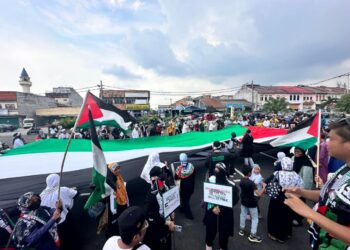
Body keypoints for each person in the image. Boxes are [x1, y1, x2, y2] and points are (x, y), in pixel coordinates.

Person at [284, 118, 350, 249]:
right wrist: (302, 192)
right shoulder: (345, 168)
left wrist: (309, 212)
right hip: (323, 242)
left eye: (331, 139)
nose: (326, 143)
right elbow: (331, 196)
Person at [265, 157, 303, 243]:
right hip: (290, 197)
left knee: (275, 216)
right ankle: (287, 233)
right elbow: (300, 186)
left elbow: (268, 182)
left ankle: (275, 234)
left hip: (277, 197)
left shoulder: (278, 173)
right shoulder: (296, 174)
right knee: (287, 216)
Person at [39, 173, 78, 249]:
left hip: (51, 223)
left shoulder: (42, 195)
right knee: (72, 236)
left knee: (60, 240)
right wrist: (72, 190)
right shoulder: (63, 189)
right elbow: (76, 194)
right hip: (63, 218)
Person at [143, 167, 176, 250]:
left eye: (162, 178)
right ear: (153, 178)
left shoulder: (164, 186)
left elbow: (169, 201)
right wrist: (166, 222)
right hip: (158, 231)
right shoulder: (151, 196)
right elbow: (151, 217)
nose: (163, 180)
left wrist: (172, 211)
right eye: (160, 178)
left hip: (166, 227)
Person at [203, 163, 235, 250]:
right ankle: (209, 244)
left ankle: (223, 246)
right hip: (211, 210)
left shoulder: (231, 185)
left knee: (224, 232)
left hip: (225, 213)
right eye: (215, 168)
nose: (216, 171)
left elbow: (234, 200)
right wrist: (213, 207)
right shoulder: (210, 181)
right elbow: (207, 196)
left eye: (218, 169)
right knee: (210, 229)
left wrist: (221, 208)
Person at [239, 165, 265, 243]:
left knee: (242, 215)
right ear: (249, 173)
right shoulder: (251, 183)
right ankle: (253, 235)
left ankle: (241, 230)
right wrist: (264, 187)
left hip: (243, 200)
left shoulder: (241, 180)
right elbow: (259, 194)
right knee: (255, 218)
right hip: (252, 202)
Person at [105, 162, 129, 238]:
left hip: (122, 202)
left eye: (118, 168)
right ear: (111, 170)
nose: (118, 170)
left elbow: (122, 188)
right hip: (115, 205)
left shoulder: (118, 177)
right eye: (115, 169)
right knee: (114, 224)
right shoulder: (109, 181)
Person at [175, 153, 196, 220]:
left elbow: (176, 177)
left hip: (183, 187)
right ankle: (183, 208)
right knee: (187, 198)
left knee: (185, 200)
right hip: (191, 186)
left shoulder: (179, 169)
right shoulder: (191, 166)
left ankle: (189, 215)